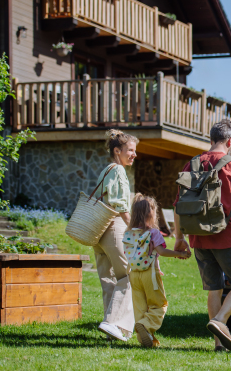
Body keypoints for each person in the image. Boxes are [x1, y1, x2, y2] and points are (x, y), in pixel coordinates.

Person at [173, 119, 231, 352]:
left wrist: (179, 238)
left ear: (211, 139)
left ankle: (219, 344)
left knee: (214, 288)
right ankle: (220, 320)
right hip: (227, 237)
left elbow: (178, 204)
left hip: (198, 237)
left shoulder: (192, 164)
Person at [123, 194, 190, 348]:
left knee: (141, 307)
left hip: (133, 274)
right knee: (159, 305)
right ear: (151, 213)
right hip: (149, 274)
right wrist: (180, 254)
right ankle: (145, 325)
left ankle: (146, 339)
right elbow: (161, 251)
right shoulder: (153, 233)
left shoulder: (129, 233)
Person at [93, 129, 139, 341]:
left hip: (98, 230)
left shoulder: (106, 170)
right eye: (130, 150)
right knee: (128, 276)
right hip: (113, 227)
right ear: (117, 150)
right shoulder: (119, 171)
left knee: (109, 279)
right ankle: (112, 323)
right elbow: (121, 205)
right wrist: (134, 229)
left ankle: (113, 329)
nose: (134, 154)